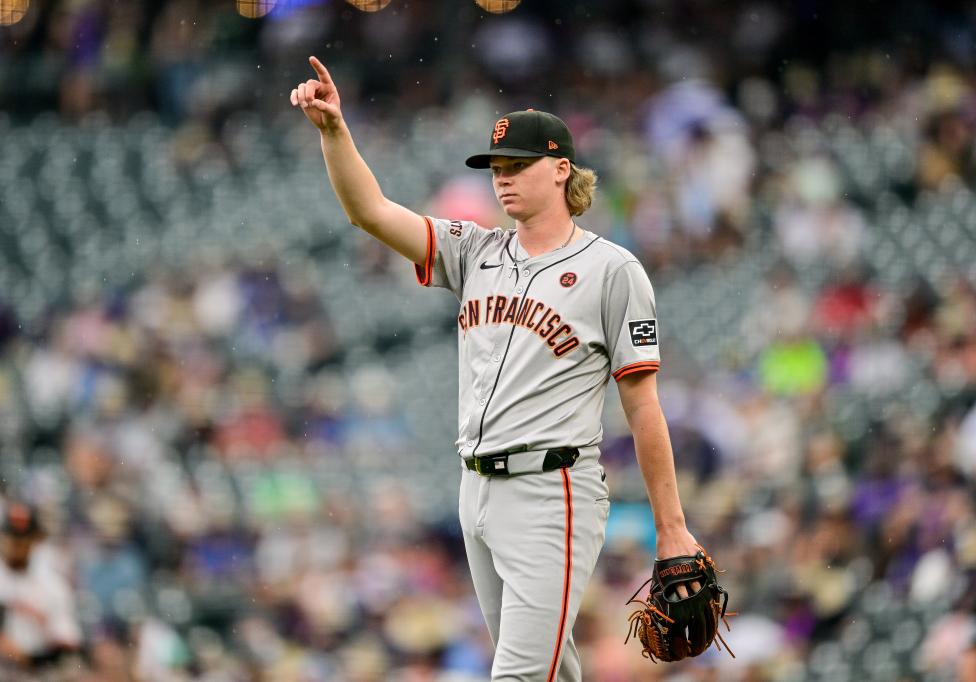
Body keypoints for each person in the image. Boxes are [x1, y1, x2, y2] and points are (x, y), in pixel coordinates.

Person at [291, 56, 702, 681]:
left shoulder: (613, 271)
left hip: (552, 492)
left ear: (562, 169)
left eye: (517, 166)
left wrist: (670, 529)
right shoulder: (476, 250)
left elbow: (643, 405)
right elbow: (369, 212)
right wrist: (334, 133)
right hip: (475, 491)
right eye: (495, 168)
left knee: (516, 677)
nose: (502, 179)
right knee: (549, 672)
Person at [0, 502, 82, 681]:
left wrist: (27, 658)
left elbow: (68, 650)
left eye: (22, 537)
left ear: (36, 538)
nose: (14, 543)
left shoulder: (54, 586)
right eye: (10, 535)